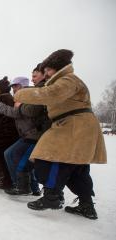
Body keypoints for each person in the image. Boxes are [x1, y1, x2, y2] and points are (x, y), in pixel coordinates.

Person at [14, 49, 107, 219]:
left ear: (57, 68)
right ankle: (86, 205)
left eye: (48, 70)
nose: (46, 74)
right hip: (77, 125)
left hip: (73, 125)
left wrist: (20, 94)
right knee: (77, 167)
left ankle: (52, 197)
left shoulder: (67, 80)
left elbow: (51, 94)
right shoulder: (67, 80)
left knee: (50, 158)